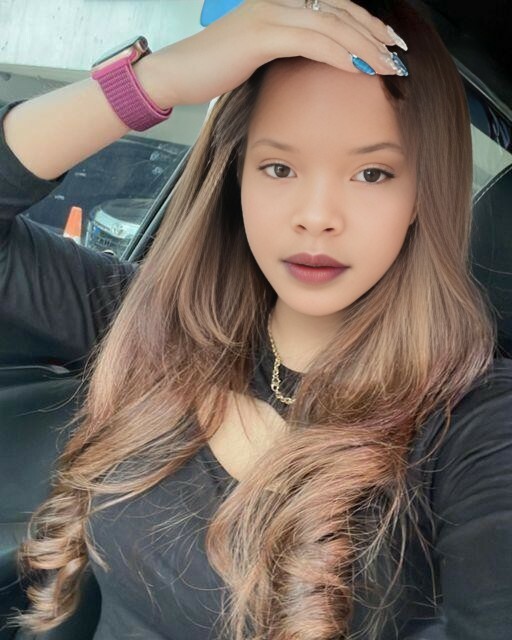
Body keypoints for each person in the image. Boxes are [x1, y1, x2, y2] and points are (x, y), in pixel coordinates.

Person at [1, 0, 511, 638]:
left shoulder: (472, 420)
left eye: (371, 172)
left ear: (422, 194)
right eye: (279, 167)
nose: (316, 216)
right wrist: (159, 78)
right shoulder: (157, 324)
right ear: (237, 175)